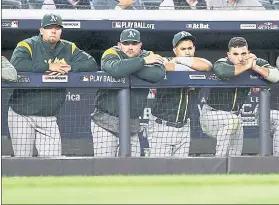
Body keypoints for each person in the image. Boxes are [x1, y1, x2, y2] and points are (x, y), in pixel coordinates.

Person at [8, 13, 98, 157]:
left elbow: (92, 64)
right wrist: (50, 66)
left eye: (57, 28)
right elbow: (17, 64)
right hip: (22, 115)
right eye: (49, 27)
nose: (54, 31)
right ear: (41, 30)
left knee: (53, 162)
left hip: (48, 116)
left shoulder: (69, 47)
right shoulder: (27, 45)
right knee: (22, 161)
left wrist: (71, 66)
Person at [199, 37, 279, 157]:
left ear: (248, 53)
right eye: (235, 54)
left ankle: (232, 170)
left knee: (236, 151)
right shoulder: (223, 62)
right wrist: (247, 66)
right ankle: (219, 160)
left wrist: (255, 67)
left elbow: (277, 76)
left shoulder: (255, 62)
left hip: (234, 118)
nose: (240, 58)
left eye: (243, 53)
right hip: (211, 116)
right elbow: (221, 71)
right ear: (229, 55)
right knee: (233, 120)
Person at [91, 29, 166, 157]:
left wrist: (128, 68)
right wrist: (142, 63)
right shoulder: (112, 52)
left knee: (132, 168)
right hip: (105, 123)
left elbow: (157, 74)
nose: (130, 47)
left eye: (134, 43)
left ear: (140, 45)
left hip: (131, 125)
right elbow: (116, 69)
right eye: (126, 43)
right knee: (104, 168)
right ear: (120, 45)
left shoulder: (148, 54)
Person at [148, 31, 212, 157]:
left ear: (194, 49)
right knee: (159, 170)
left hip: (184, 126)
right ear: (174, 50)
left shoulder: (198, 63)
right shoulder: (167, 62)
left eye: (190, 48)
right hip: (162, 126)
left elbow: (208, 66)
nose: (187, 52)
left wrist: (180, 60)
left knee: (181, 170)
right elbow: (166, 66)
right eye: (183, 49)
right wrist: (185, 67)